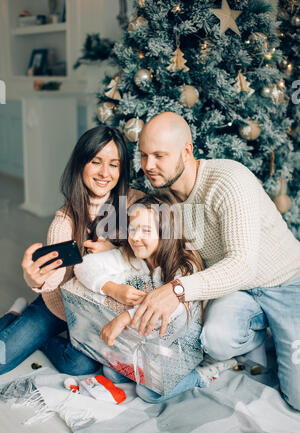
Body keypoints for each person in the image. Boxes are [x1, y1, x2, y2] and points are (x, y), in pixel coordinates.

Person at [128, 111, 300, 411]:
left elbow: (242, 265)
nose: (148, 166)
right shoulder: (166, 199)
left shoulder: (228, 181)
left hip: (286, 282)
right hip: (237, 291)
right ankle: (257, 336)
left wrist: (177, 290)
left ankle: (280, 333)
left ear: (186, 151)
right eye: (143, 155)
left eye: (159, 155)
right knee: (216, 340)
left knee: (297, 399)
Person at [0, 125, 143, 375]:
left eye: (114, 164)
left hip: (101, 310)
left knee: (79, 365)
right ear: (81, 164)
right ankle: (17, 315)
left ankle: (37, 336)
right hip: (60, 305)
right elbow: (55, 278)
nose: (104, 172)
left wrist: (116, 252)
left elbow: (154, 253)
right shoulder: (64, 220)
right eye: (96, 161)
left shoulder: (135, 204)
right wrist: (36, 279)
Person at [73, 192, 235, 403]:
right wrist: (113, 289)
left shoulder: (186, 266)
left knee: (149, 392)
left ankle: (205, 372)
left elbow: (172, 310)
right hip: (151, 340)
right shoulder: (132, 255)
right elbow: (83, 266)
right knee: (110, 371)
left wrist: (125, 318)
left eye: (146, 230)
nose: (135, 237)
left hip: (184, 343)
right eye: (132, 229)